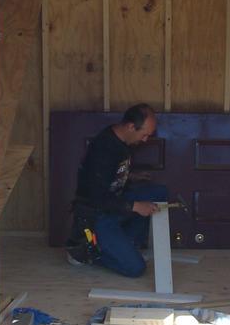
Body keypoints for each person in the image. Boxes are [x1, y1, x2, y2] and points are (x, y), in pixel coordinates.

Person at [66, 103, 168, 277]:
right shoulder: (103, 149)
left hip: (115, 204)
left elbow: (108, 175)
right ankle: (85, 254)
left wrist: (131, 176)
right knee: (136, 269)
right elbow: (96, 197)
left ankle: (127, 244)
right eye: (144, 135)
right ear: (131, 127)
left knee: (158, 192)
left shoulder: (123, 138)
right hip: (96, 215)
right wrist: (136, 206)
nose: (145, 140)